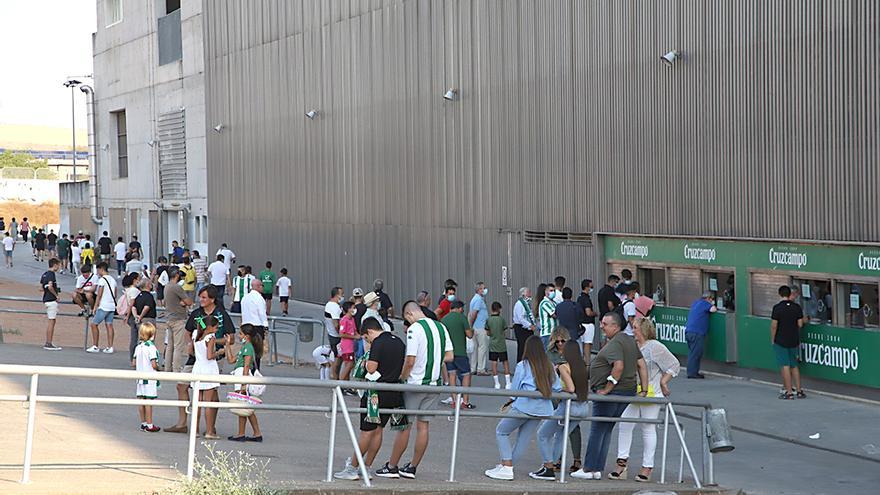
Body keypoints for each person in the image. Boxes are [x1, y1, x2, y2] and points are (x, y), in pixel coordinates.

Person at [378, 302, 453, 480]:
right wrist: (433, 358)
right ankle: (412, 467)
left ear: (409, 314)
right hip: (434, 384)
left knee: (404, 427)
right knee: (424, 426)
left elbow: (410, 361)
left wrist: (402, 379)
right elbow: (449, 356)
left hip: (415, 384)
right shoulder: (441, 327)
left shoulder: (415, 329)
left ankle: (392, 466)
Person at [572, 312, 648, 480]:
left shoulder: (616, 343)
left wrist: (607, 389)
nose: (601, 326)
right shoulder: (629, 340)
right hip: (626, 391)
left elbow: (618, 366)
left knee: (598, 429)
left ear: (615, 326)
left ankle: (589, 468)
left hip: (613, 393)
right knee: (606, 429)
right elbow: (641, 365)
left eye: (605, 324)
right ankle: (597, 468)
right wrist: (643, 389)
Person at [335, 317, 408, 480]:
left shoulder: (378, 343)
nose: (366, 340)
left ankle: (353, 467)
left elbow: (372, 367)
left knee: (367, 432)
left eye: (365, 338)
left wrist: (368, 360)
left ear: (368, 332)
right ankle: (366, 466)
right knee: (378, 430)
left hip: (375, 393)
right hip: (393, 391)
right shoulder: (399, 342)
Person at [484, 335, 561, 480]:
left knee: (502, 431)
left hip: (524, 406)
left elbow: (515, 390)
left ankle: (507, 467)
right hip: (542, 409)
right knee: (523, 439)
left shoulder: (523, 365)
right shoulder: (549, 365)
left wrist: (510, 401)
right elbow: (557, 388)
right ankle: (507, 465)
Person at [612, 317, 679, 482]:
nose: (632, 330)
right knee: (625, 423)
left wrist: (664, 381)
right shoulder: (632, 346)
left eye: (635, 327)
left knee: (648, 428)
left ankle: (647, 467)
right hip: (633, 392)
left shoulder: (655, 347)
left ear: (644, 329)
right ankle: (622, 463)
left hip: (651, 392)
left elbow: (674, 364)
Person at [531, 339, 590, 481]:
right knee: (561, 437)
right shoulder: (582, 366)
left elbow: (570, 388)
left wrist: (557, 389)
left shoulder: (564, 367)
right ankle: (549, 467)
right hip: (583, 407)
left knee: (542, 434)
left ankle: (548, 467)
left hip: (568, 407)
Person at [228, 324, 264, 442]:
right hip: (240, 376)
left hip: (242, 377)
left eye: (241, 334)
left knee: (242, 406)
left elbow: (246, 366)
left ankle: (242, 433)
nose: (239, 336)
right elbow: (231, 360)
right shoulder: (245, 346)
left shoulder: (248, 347)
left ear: (246, 336)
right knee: (246, 406)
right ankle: (256, 433)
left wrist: (243, 383)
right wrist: (227, 345)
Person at [771, 285, 806, 399]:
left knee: (785, 365)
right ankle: (799, 390)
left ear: (780, 294)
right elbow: (800, 324)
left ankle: (789, 392)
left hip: (781, 340)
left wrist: (773, 339)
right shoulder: (797, 307)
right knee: (794, 365)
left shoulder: (777, 308)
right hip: (794, 340)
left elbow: (774, 326)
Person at [191, 314, 222, 439]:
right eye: (216, 327)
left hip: (197, 368)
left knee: (197, 402)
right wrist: (219, 352)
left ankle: (195, 429)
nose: (217, 329)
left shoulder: (196, 335)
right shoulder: (210, 337)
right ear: (209, 327)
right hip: (208, 369)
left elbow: (192, 351)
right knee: (209, 403)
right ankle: (209, 430)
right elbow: (209, 356)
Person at [441, 300, 475, 408]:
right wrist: (472, 330)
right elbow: (469, 335)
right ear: (460, 308)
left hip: (448, 352)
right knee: (466, 375)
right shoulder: (462, 318)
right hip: (460, 352)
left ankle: (454, 400)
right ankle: (465, 401)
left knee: (452, 375)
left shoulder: (444, 319)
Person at [132, 322, 161, 432]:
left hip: (140, 378)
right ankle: (149, 424)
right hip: (149, 378)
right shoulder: (151, 348)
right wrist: (159, 368)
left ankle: (143, 423)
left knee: (141, 400)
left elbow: (133, 363)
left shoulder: (138, 347)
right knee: (149, 401)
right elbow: (154, 364)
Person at [684, 291, 717, 379]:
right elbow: (713, 309)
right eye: (712, 299)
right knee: (696, 353)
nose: (712, 301)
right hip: (697, 333)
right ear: (708, 298)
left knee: (692, 352)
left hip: (689, 331)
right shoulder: (705, 304)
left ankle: (693, 371)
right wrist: (713, 305)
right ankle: (692, 373)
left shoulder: (696, 303)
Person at [87, 262, 117, 354]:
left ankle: (95, 345)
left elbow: (99, 294)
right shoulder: (113, 280)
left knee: (94, 324)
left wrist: (95, 306)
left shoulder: (102, 280)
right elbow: (115, 294)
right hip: (111, 306)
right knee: (109, 325)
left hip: (104, 305)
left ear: (101, 269)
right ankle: (110, 346)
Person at [241, 278, 269, 369]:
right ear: (258, 286)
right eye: (262, 285)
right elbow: (262, 313)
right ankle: (255, 369)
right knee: (257, 351)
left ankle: (246, 367)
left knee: (247, 349)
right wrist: (266, 327)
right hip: (256, 327)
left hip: (245, 326)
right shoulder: (259, 298)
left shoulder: (245, 298)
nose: (262, 287)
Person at [487, 301, 511, 389]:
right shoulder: (502, 319)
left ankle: (497, 383)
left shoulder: (489, 320)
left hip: (493, 345)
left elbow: (487, 332)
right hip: (502, 345)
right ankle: (508, 383)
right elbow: (504, 330)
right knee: (505, 363)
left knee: (494, 363)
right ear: (499, 309)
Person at [468, 281, 490, 375]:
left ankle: (473, 368)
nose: (484, 290)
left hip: (475, 327)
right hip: (480, 327)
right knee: (482, 348)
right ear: (479, 290)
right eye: (482, 288)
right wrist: (471, 324)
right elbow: (474, 313)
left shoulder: (474, 299)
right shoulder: (479, 300)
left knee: (475, 348)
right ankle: (481, 368)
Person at [132, 278, 157, 359]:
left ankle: (137, 359)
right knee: (149, 341)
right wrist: (141, 316)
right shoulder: (149, 296)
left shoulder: (138, 296)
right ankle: (149, 359)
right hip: (148, 319)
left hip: (140, 320)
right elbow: (146, 307)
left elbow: (133, 307)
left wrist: (136, 316)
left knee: (140, 340)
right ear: (148, 285)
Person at [40, 258, 63, 351]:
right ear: (55, 265)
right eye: (58, 265)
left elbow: (41, 287)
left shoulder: (44, 274)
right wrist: (56, 295)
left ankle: (48, 342)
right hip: (51, 300)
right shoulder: (51, 274)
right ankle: (48, 342)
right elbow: (50, 286)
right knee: (51, 321)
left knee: (51, 321)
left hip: (46, 299)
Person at [324, 287, 345, 379]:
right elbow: (336, 324)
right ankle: (335, 379)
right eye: (342, 294)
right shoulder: (334, 307)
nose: (343, 296)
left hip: (331, 334)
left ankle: (335, 378)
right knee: (338, 358)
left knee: (337, 356)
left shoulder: (329, 304)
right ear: (337, 295)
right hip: (336, 336)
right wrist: (342, 334)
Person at [337, 301, 360, 386]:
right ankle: (339, 384)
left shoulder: (352, 319)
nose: (354, 309)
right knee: (349, 365)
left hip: (351, 346)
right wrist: (354, 337)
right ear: (348, 309)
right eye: (353, 308)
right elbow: (341, 333)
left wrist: (359, 336)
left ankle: (346, 386)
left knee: (349, 366)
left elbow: (354, 331)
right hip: (346, 346)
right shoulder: (344, 320)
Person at [512, 287, 537, 362]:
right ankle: (521, 365)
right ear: (523, 294)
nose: (530, 295)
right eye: (528, 293)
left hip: (527, 328)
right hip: (521, 328)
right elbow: (521, 318)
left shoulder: (526, 304)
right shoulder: (519, 304)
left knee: (529, 348)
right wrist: (530, 325)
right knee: (522, 347)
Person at [576, 279, 597, 360]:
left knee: (582, 343)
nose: (592, 288)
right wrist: (595, 313)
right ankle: (587, 362)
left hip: (581, 324)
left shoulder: (579, 297)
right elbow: (588, 312)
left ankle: (583, 361)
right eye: (591, 286)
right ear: (587, 287)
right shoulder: (586, 299)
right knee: (588, 344)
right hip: (588, 324)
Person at [538, 284, 558, 349]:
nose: (553, 292)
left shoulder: (554, 303)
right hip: (547, 333)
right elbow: (554, 314)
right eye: (551, 290)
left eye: (554, 290)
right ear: (546, 292)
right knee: (547, 355)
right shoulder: (545, 303)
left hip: (554, 333)